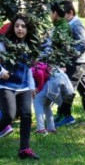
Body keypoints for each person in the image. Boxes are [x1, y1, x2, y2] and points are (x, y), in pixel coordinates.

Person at [0, 14, 39, 159]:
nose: (20, 29)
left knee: (26, 115)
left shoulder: (30, 46)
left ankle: (24, 149)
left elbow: (28, 68)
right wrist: (2, 71)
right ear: (13, 27)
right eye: (17, 26)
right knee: (9, 116)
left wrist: (31, 86)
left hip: (23, 86)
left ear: (28, 29)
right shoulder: (5, 44)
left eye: (23, 26)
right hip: (6, 85)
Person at [55, 1, 85, 127]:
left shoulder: (76, 25)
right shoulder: (70, 24)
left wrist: (72, 56)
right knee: (84, 88)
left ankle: (65, 115)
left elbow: (84, 43)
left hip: (79, 62)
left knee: (69, 88)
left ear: (70, 13)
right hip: (80, 61)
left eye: (63, 15)